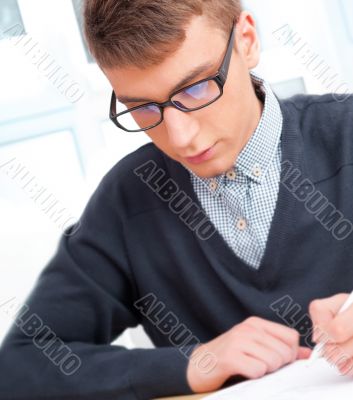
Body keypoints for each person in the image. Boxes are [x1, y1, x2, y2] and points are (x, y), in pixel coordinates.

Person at [1, 1, 353, 399]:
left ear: (248, 40)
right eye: (142, 107)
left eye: (197, 87)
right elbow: (20, 366)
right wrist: (194, 362)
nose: (182, 137)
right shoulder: (126, 203)